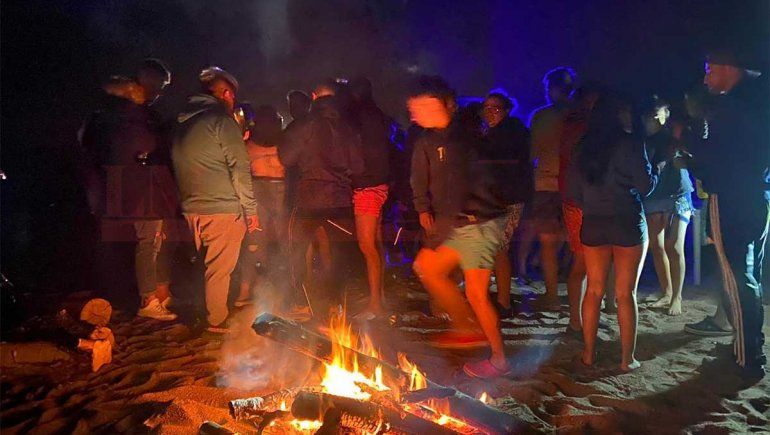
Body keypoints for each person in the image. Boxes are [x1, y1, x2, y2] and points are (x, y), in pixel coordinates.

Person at [409, 76, 510, 379]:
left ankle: (498, 359)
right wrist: (424, 209)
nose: (415, 114)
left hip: (478, 223)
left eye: (422, 106)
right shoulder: (429, 140)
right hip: (460, 224)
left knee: (476, 294)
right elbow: (424, 181)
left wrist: (439, 232)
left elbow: (464, 188)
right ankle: (466, 327)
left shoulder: (466, 138)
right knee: (427, 267)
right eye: (413, 108)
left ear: (445, 105)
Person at [684, 50, 768, 375]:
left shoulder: (728, 107)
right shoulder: (759, 101)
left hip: (730, 197)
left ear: (729, 68)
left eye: (710, 70)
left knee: (736, 278)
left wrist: (688, 143)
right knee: (750, 273)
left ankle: (748, 359)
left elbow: (714, 158)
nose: (706, 78)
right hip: (758, 194)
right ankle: (748, 346)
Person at [566, 93, 658, 372]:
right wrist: (657, 170)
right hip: (627, 219)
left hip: (594, 221)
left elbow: (573, 192)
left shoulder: (582, 147)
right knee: (625, 293)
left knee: (594, 290)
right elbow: (646, 187)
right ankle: (627, 359)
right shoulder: (630, 144)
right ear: (618, 115)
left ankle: (588, 354)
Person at [80, 76, 178, 321]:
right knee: (149, 244)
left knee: (133, 244)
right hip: (140, 193)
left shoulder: (101, 121)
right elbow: (146, 147)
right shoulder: (131, 121)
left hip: (116, 192)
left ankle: (142, 295)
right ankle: (149, 299)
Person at [171, 67, 259, 334]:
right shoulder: (222, 122)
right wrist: (251, 209)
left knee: (204, 266)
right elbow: (239, 169)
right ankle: (217, 320)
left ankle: (204, 311)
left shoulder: (183, 123)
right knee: (219, 269)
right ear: (226, 94)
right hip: (222, 207)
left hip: (192, 207)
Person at [279, 79, 363, 305]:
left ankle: (301, 301)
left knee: (297, 249)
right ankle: (335, 304)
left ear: (314, 97)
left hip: (308, 199)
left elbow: (286, 158)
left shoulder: (303, 125)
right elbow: (358, 167)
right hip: (340, 200)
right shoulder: (349, 127)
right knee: (338, 254)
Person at [640, 96, 694, 316]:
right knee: (657, 245)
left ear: (666, 113)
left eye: (658, 114)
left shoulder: (675, 134)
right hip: (654, 194)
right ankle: (667, 291)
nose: (654, 119)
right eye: (651, 116)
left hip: (678, 192)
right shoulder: (643, 139)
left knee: (674, 246)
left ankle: (677, 297)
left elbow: (687, 158)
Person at [478, 91, 531, 317]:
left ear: (507, 110)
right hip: (497, 198)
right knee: (495, 248)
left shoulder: (510, 133)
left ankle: (504, 302)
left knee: (499, 248)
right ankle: (499, 299)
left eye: (496, 108)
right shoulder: (494, 132)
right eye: (487, 108)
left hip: (507, 199)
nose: (490, 112)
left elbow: (504, 169)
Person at [528, 67, 577, 311]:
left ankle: (552, 296)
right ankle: (578, 295)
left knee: (548, 243)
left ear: (553, 89)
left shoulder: (542, 117)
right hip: (575, 186)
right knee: (577, 243)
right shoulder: (581, 116)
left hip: (546, 184)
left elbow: (532, 151)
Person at [348, 77, 393, 317]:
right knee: (375, 243)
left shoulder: (358, 118)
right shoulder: (379, 115)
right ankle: (379, 298)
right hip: (379, 183)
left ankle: (375, 305)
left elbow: (358, 153)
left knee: (366, 245)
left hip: (367, 186)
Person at [559, 85, 600, 335]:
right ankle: (577, 320)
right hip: (581, 202)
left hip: (579, 199)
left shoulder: (574, 127)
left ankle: (582, 317)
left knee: (586, 262)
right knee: (583, 262)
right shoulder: (581, 130)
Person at [237, 105, 288, 306]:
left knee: (257, 242)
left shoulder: (249, 144)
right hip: (266, 190)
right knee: (260, 241)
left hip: (265, 190)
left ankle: (251, 290)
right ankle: (250, 290)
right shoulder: (281, 142)